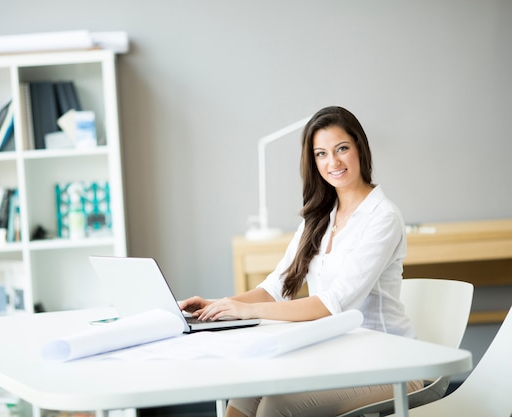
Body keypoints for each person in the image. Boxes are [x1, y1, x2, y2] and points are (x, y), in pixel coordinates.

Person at [179, 106, 422, 417]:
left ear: (360, 148)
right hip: (338, 352)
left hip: (391, 362)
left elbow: (332, 303)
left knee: (275, 407)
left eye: (342, 149)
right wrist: (217, 306)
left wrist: (248, 311)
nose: (332, 162)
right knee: (244, 394)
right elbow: (276, 287)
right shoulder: (319, 218)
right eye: (321, 154)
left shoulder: (383, 217)